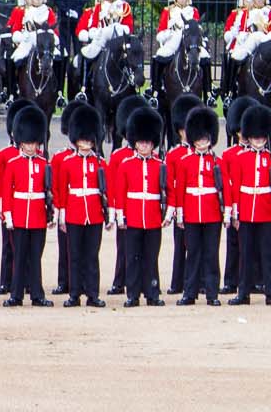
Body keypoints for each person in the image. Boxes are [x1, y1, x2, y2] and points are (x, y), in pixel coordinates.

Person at [52, 102, 109, 307]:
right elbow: (60, 190)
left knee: (92, 256)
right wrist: (60, 216)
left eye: (89, 139)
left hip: (94, 213)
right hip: (74, 213)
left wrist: (109, 215)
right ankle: (74, 294)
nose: (85, 142)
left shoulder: (101, 163)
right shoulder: (67, 162)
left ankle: (92, 294)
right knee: (74, 256)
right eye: (82, 139)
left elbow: (106, 192)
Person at [111, 106, 168, 306]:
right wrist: (120, 215)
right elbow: (120, 191)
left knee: (151, 258)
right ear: (135, 143)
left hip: (152, 217)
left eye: (148, 143)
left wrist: (166, 213)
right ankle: (132, 295)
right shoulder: (126, 164)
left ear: (153, 144)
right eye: (141, 143)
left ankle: (152, 294)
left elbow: (165, 191)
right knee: (132, 258)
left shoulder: (160, 165)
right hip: (133, 217)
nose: (144, 146)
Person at [0, 106, 53, 306]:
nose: (31, 147)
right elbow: (6, 191)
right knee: (19, 256)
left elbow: (48, 191)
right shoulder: (12, 163)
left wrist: (50, 213)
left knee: (35, 257)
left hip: (37, 215)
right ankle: (16, 295)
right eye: (27, 143)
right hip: (19, 216)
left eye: (34, 143)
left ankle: (37, 294)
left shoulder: (44, 163)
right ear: (21, 142)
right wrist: (8, 216)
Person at [172, 105, 224, 305]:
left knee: (211, 254)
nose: (202, 142)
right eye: (199, 139)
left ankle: (212, 294)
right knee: (192, 254)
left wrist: (227, 213)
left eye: (205, 139)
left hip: (212, 214)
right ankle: (189, 293)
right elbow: (180, 189)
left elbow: (223, 189)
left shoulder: (216, 161)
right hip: (192, 213)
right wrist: (179, 214)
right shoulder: (185, 161)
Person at [225, 103, 271, 302]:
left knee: (267, 254)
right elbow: (235, 188)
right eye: (255, 137)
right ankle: (243, 292)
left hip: (266, 212)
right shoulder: (240, 159)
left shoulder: (270, 158)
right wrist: (234, 214)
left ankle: (270, 291)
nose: (259, 140)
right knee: (245, 254)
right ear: (249, 137)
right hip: (245, 212)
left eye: (262, 137)